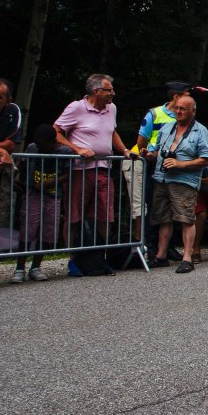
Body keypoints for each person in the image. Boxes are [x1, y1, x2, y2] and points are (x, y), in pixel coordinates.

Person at [54, 74, 132, 272]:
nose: (113, 93)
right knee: (75, 215)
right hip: (80, 170)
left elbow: (112, 131)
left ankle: (101, 257)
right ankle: (73, 260)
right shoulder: (76, 107)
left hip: (104, 168)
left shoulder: (111, 108)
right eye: (109, 90)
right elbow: (56, 131)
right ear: (97, 91)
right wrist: (76, 149)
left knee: (105, 215)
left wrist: (124, 150)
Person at [122, 81, 191, 255]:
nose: (190, 99)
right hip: (147, 162)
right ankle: (149, 246)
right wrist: (153, 152)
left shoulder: (184, 115)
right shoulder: (154, 113)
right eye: (187, 95)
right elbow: (141, 141)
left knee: (169, 204)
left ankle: (168, 246)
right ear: (176, 96)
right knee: (149, 205)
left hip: (168, 164)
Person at [145, 95, 208, 273]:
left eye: (183, 109)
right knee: (163, 218)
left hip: (184, 181)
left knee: (186, 219)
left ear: (193, 111)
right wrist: (149, 155)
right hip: (162, 178)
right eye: (176, 108)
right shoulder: (167, 127)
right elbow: (158, 151)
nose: (178, 111)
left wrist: (180, 164)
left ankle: (187, 258)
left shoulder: (200, 131)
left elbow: (206, 159)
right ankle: (161, 256)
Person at [9, 125, 72, 283]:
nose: (41, 147)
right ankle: (19, 268)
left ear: (53, 142)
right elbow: (21, 162)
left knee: (47, 230)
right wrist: (15, 176)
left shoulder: (64, 151)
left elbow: (68, 174)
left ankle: (36, 266)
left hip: (53, 195)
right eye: (38, 144)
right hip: (33, 193)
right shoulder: (32, 148)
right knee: (28, 228)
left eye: (44, 145)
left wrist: (49, 183)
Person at [0, 78, 23, 228]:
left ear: (8, 101)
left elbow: (11, 144)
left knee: (2, 211)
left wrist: (3, 150)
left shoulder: (13, 110)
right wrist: (0, 150)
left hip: (2, 168)